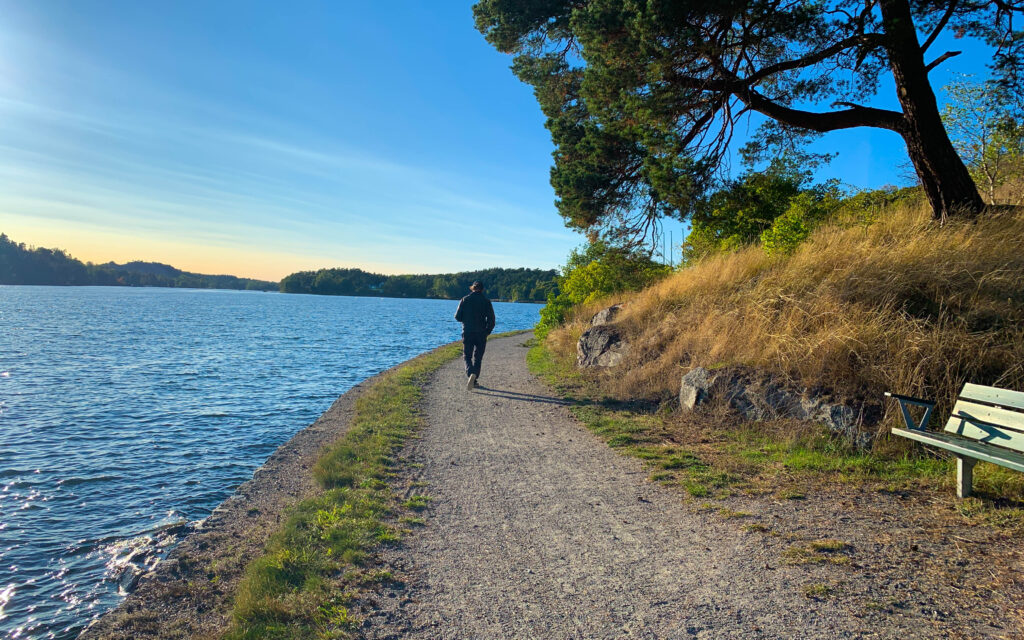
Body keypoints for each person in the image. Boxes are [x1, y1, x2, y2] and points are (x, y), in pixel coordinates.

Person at [454, 280, 495, 390]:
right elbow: (492, 320)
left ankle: (471, 373)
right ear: (482, 289)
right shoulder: (486, 301)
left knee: (467, 355)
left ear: (472, 288)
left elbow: (457, 317)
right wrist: (487, 331)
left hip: (467, 331)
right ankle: (474, 378)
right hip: (481, 333)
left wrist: (466, 320)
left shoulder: (465, 299)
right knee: (478, 358)